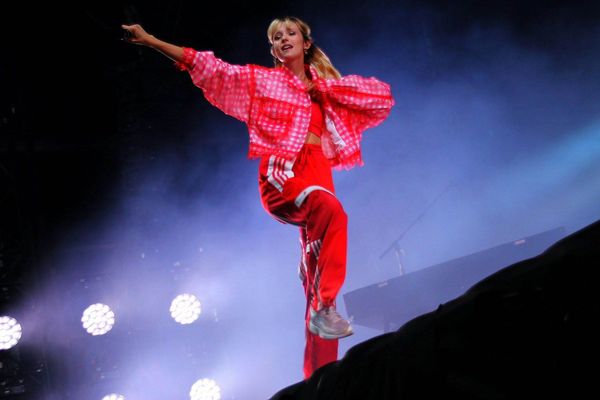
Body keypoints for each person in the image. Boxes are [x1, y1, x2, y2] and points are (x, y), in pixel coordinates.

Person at [121, 16, 394, 379]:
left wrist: (325, 91)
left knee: (315, 273)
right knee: (333, 213)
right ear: (273, 50)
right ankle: (326, 306)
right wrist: (152, 40)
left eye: (290, 33)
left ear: (305, 42)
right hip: (283, 176)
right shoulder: (263, 82)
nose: (283, 39)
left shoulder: (326, 88)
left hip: (317, 177)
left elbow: (381, 99)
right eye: (276, 37)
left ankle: (319, 378)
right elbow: (211, 69)